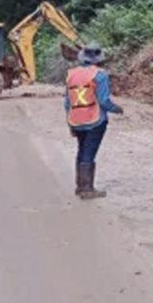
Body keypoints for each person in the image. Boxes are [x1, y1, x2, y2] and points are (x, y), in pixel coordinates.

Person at [64, 42, 124, 200]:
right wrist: (117, 109)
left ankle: (80, 186)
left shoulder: (71, 74)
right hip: (94, 120)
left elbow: (67, 102)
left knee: (81, 150)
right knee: (89, 153)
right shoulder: (100, 75)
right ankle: (87, 189)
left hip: (75, 119)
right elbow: (103, 101)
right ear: (98, 59)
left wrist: (69, 122)